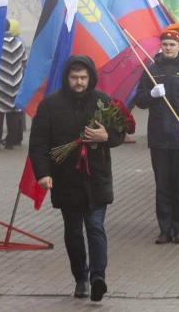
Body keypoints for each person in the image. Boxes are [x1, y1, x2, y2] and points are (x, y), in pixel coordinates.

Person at [29, 55, 126, 301]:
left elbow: (118, 133)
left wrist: (107, 137)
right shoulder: (50, 104)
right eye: (74, 77)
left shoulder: (102, 101)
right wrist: (43, 173)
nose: (79, 82)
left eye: (83, 77)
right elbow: (38, 143)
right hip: (65, 178)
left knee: (95, 226)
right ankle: (80, 278)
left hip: (96, 177)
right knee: (73, 231)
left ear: (90, 77)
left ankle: (98, 278)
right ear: (67, 78)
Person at [135, 30, 179, 245]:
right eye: (165, 44)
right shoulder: (151, 71)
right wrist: (151, 95)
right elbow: (139, 100)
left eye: (172, 44)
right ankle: (164, 229)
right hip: (159, 139)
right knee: (163, 186)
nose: (168, 48)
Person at [0, 19, 27, 150]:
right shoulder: (19, 44)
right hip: (16, 84)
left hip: (0, 85)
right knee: (13, 115)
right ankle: (11, 142)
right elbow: (24, 62)